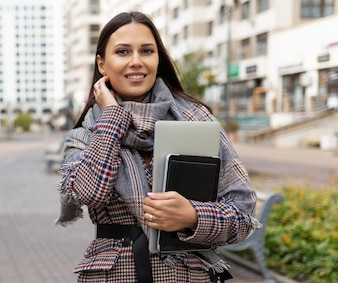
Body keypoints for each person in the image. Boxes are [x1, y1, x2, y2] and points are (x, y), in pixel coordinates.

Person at [55, 11, 260, 282]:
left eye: (147, 51)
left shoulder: (197, 121)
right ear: (102, 64)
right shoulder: (86, 134)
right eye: (123, 52)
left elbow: (243, 213)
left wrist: (193, 216)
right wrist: (113, 118)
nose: (136, 62)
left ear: (157, 58)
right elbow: (87, 192)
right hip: (113, 275)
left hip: (187, 275)